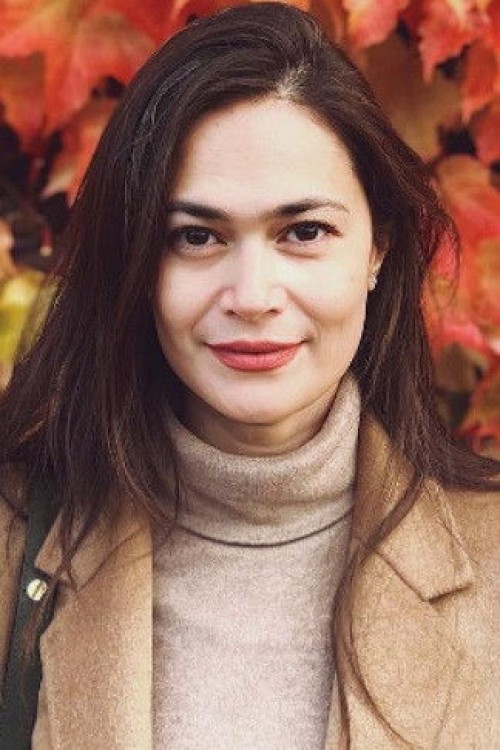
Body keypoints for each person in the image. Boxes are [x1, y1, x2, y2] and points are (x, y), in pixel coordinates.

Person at [1, 3, 499, 748]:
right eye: (197, 237)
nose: (253, 296)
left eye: (304, 231)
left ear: (378, 248)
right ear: (135, 260)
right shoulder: (17, 540)